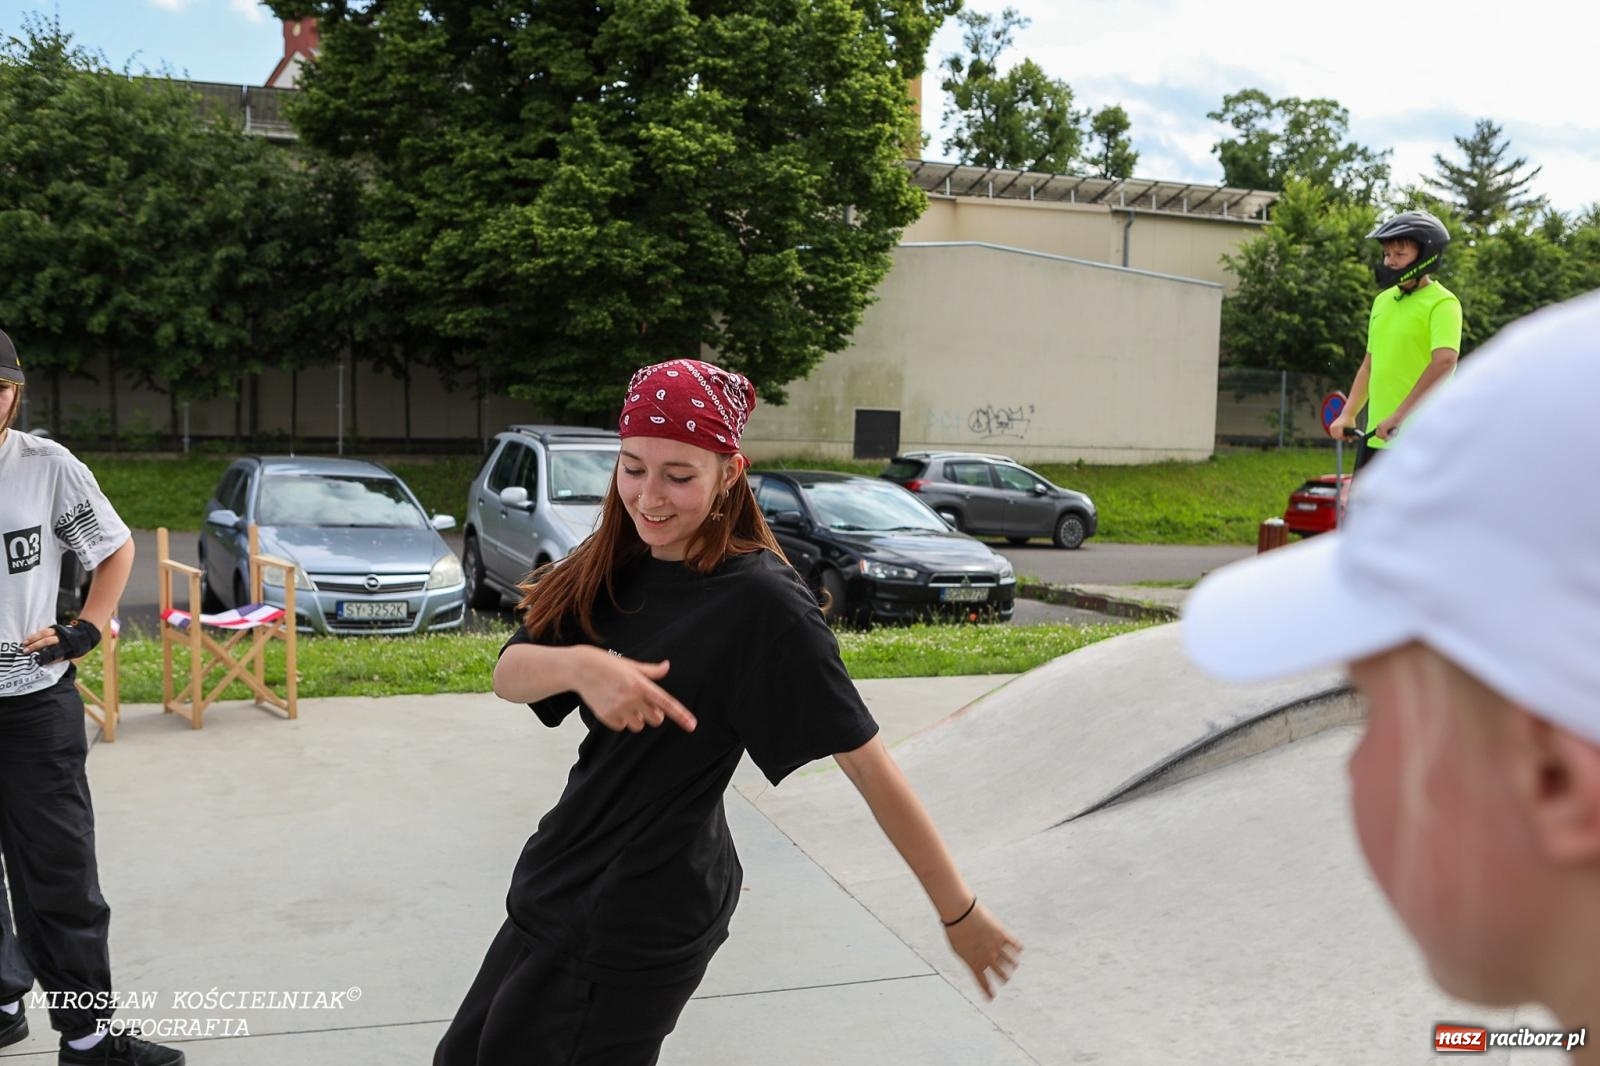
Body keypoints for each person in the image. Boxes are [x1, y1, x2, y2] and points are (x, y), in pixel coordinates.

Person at [435, 358, 1021, 1065]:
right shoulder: (615, 554)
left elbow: (866, 763)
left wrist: (957, 912)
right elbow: (510, 672)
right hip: (558, 884)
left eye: (678, 475)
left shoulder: (762, 604)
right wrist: (584, 666)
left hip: (632, 918)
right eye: (631, 468)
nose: (648, 497)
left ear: (728, 473)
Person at [1182, 290, 1600, 1062]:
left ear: (1553, 780)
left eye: (1371, 710)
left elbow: (1439, 361)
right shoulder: (1384, 307)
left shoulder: (1439, 308)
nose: (1348, 763)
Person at [0, 330, 185, 1066]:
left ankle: (89, 1038)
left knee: (61, 876)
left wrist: (84, 630)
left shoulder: (45, 468)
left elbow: (112, 549)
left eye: (2, 391)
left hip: (33, 705)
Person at [1327, 209, 1461, 472]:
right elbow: (1369, 365)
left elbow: (1445, 362)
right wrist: (1348, 412)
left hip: (1423, 439)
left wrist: (1400, 416)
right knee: (1364, 513)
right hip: (1377, 437)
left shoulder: (1443, 303)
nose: (1390, 261)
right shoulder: (1383, 301)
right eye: (1387, 254)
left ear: (1425, 256)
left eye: (1400, 254)